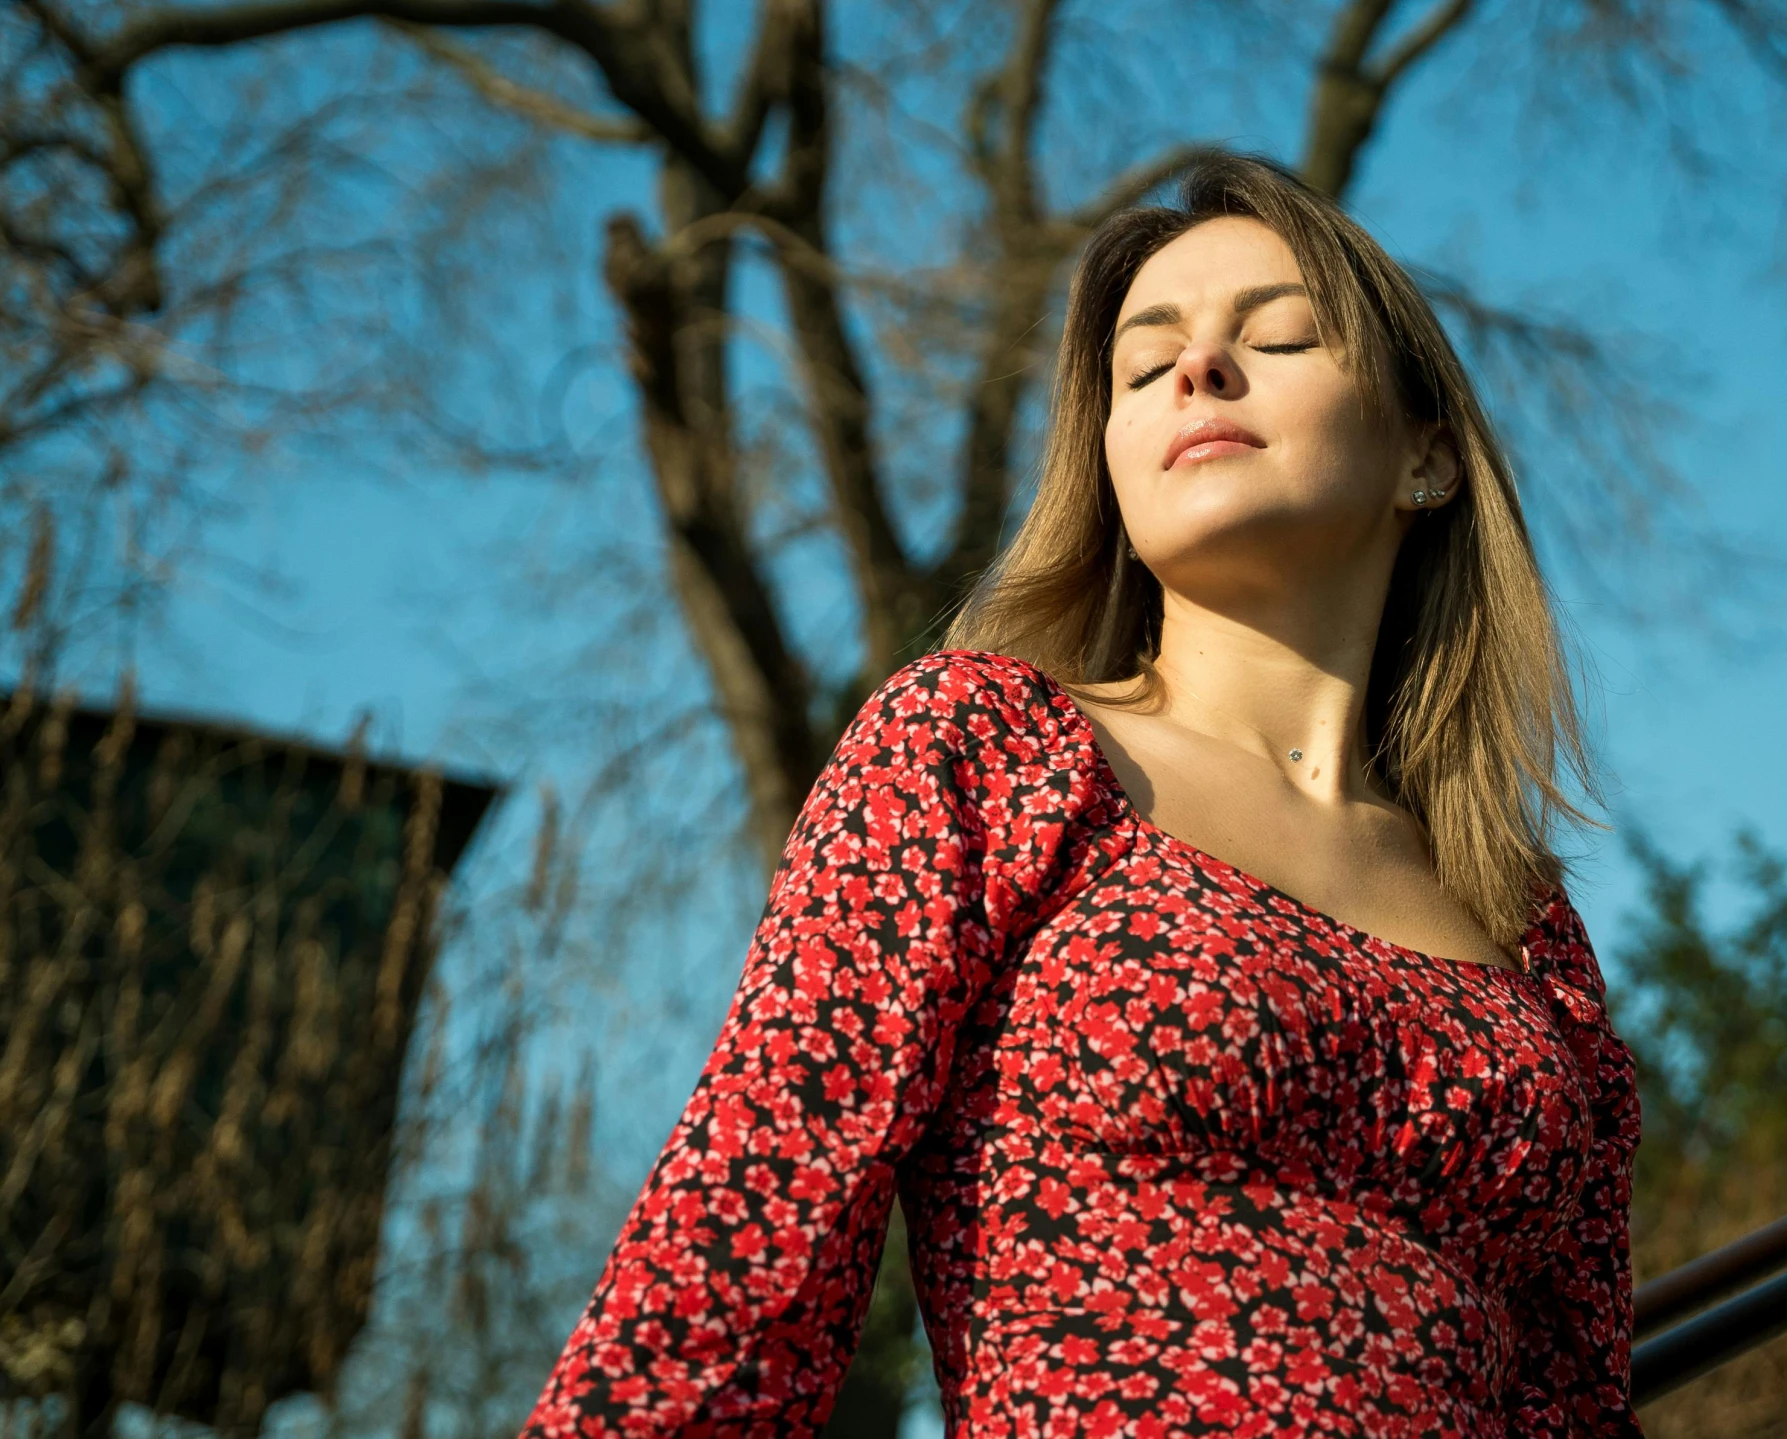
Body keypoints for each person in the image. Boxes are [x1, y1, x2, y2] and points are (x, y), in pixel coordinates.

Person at [515, 152, 1648, 1438]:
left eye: (1274, 336)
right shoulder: (982, 748)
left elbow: (1578, 1390)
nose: (1198, 369)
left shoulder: (1519, 916)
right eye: (1143, 361)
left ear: (1427, 457)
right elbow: (753, 1224)